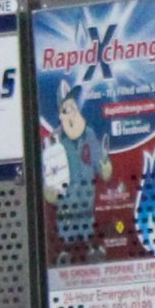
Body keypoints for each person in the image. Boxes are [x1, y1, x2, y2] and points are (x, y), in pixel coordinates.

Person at [45, 80, 111, 263]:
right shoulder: (54, 141)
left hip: (86, 193)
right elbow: (49, 170)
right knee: (67, 223)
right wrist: (48, 188)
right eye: (66, 108)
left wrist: (104, 167)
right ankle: (66, 251)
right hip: (66, 196)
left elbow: (99, 158)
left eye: (73, 106)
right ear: (60, 114)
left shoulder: (88, 133)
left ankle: (90, 248)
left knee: (86, 221)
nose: (72, 111)